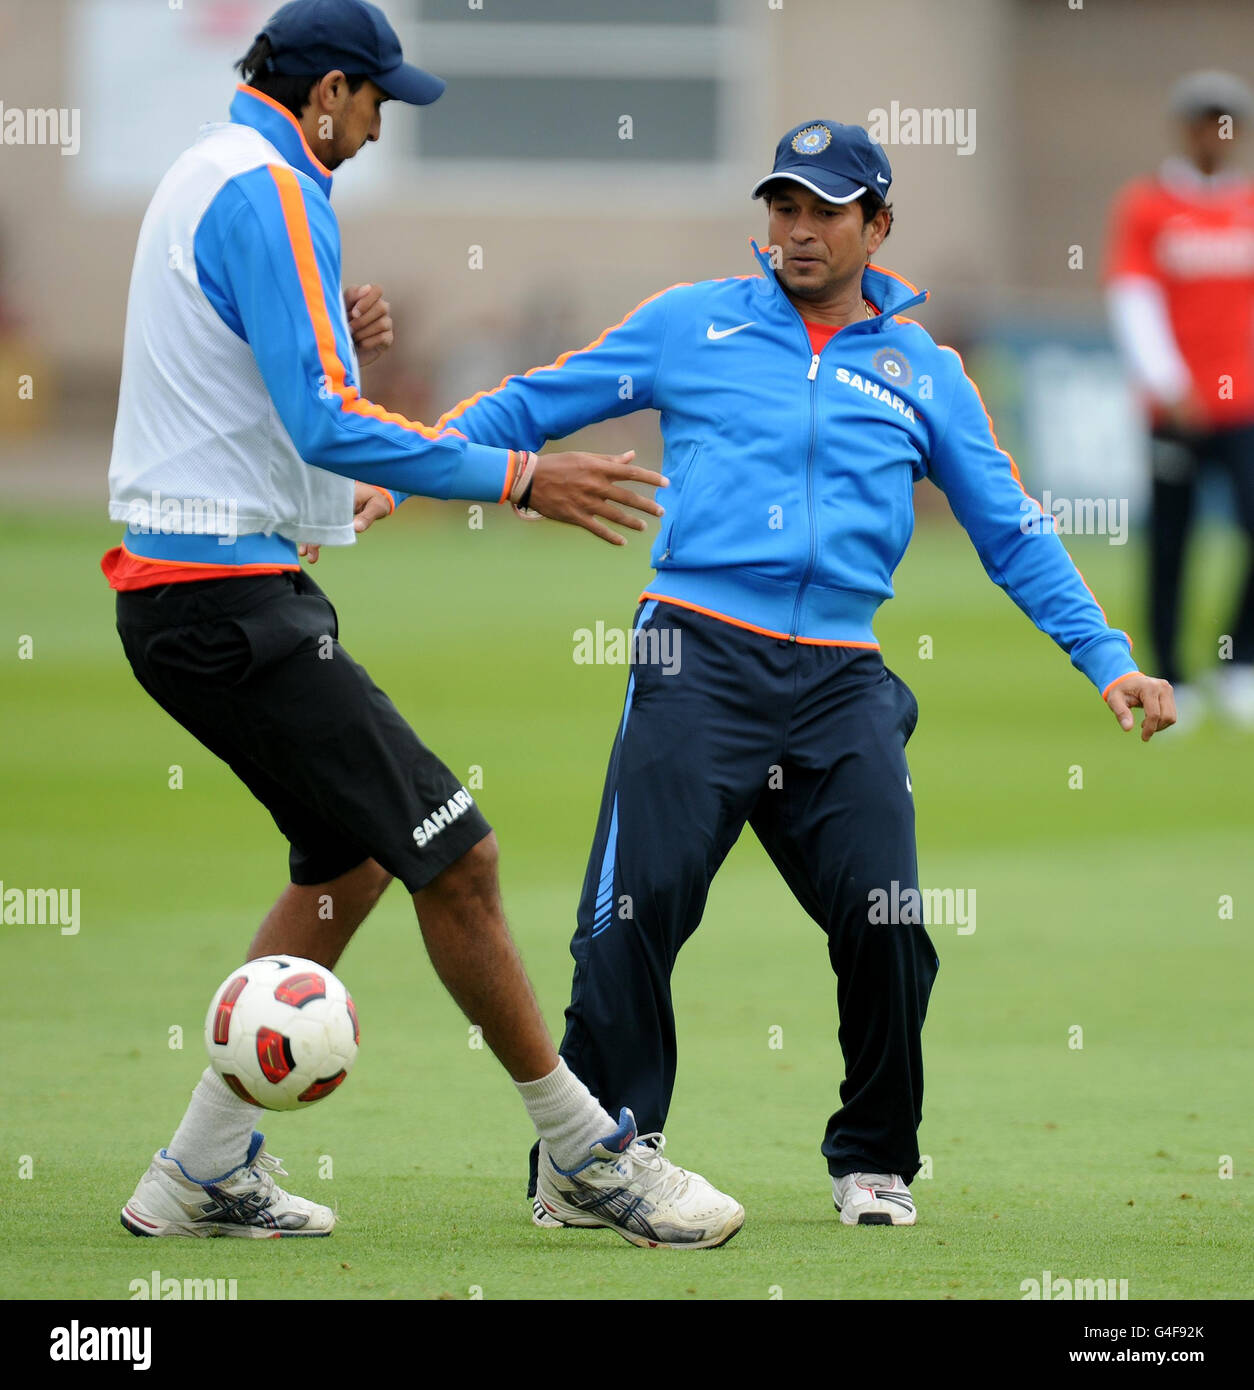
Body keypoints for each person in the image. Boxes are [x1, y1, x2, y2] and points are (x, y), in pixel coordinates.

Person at [435, 119, 1177, 1229]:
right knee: (629, 915)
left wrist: (1108, 657)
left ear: (878, 226)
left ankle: (876, 1159)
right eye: (783, 208)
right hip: (695, 649)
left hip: (842, 676)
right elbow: (531, 404)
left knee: (889, 921)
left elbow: (1012, 532)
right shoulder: (693, 322)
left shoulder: (923, 370)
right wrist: (402, 468)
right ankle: (605, 1156)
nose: (798, 231)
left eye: (826, 211)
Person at [106, 0, 743, 1251]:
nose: (381, 124)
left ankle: (200, 1168)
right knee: (460, 858)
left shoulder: (212, 168)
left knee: (349, 861)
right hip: (222, 604)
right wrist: (521, 480)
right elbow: (326, 422)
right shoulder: (273, 190)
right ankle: (591, 1153)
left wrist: (333, 358)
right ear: (329, 90)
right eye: (378, 102)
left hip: (210, 592)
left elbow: (257, 399)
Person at [1105, 69, 1254, 728]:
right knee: (1172, 540)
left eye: (1226, 122)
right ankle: (1173, 677)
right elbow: (1133, 299)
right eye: (1204, 120)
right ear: (1184, 127)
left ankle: (1241, 660)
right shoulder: (1148, 206)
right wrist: (1170, 385)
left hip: (1245, 401)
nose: (1214, 134)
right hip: (1178, 406)